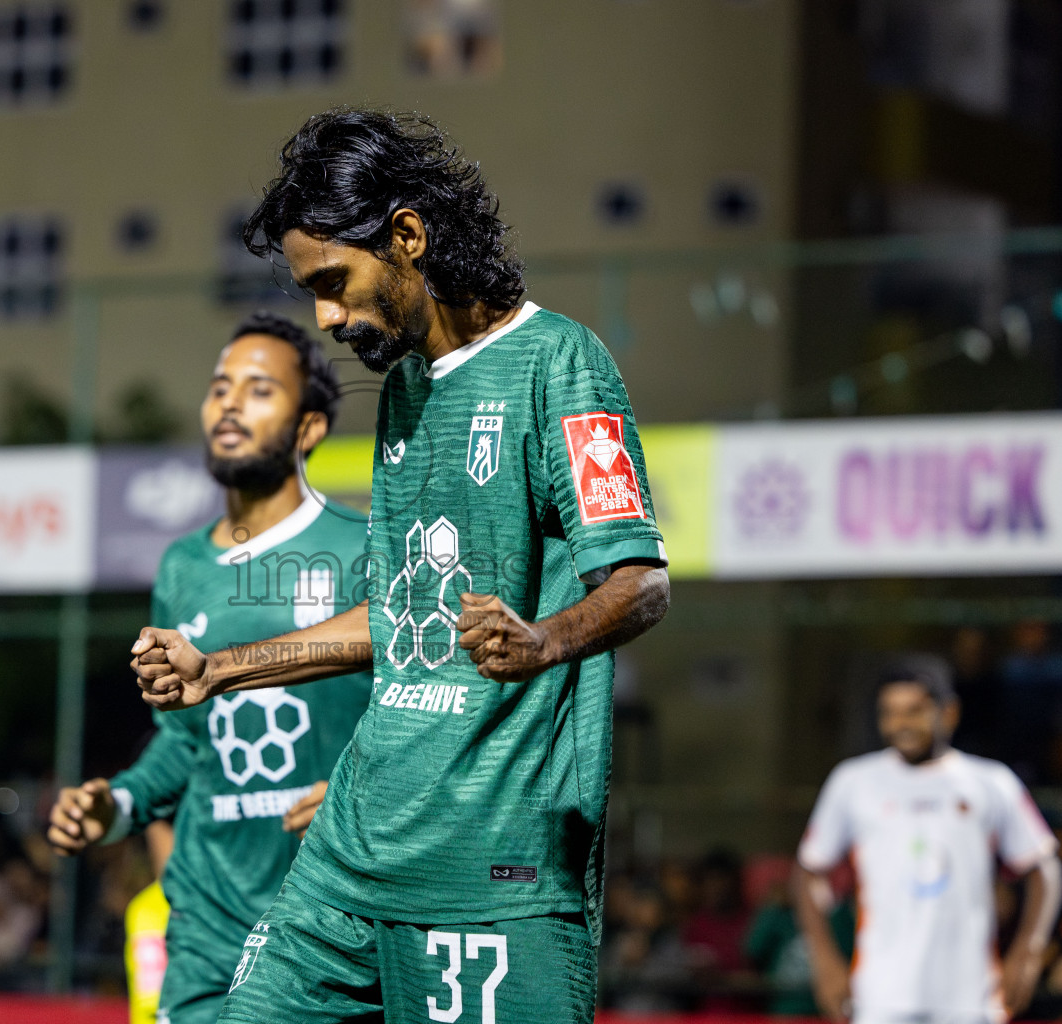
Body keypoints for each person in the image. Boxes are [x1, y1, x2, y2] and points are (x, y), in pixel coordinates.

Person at [131, 108, 671, 1024]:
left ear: (408, 237)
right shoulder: (407, 392)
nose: (327, 316)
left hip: (493, 868)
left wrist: (543, 641)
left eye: (335, 282)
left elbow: (640, 583)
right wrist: (219, 671)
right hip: (351, 853)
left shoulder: (561, 365)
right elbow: (401, 615)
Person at [48, 312, 373, 1024]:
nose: (229, 403)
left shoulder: (364, 550)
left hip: (326, 923)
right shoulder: (181, 568)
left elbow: (419, 711)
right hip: (203, 928)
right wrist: (118, 806)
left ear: (310, 428)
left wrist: (365, 790)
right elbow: (186, 742)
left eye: (260, 390)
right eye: (220, 387)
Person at [794, 656, 1062, 1024]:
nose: (900, 724)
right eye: (889, 713)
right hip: (880, 996)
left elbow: (1044, 868)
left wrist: (1029, 950)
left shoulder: (990, 781)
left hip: (970, 996)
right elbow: (809, 870)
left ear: (949, 712)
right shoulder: (853, 782)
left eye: (914, 711)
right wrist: (824, 960)